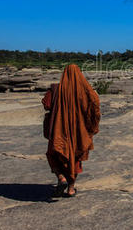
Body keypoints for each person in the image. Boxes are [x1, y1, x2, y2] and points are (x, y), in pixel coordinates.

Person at [41, 64, 101, 198]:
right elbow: (95, 102)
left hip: (58, 130)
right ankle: (71, 189)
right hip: (78, 132)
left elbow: (46, 104)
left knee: (53, 154)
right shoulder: (85, 91)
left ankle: (61, 177)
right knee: (75, 158)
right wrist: (91, 125)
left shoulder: (56, 89)